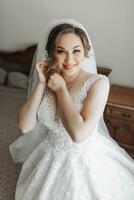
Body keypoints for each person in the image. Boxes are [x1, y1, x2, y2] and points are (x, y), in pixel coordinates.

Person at [9, 19, 134, 200]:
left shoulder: (98, 83)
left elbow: (79, 135)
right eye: (61, 51)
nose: (69, 60)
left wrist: (60, 90)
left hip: (85, 159)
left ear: (85, 53)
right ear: (51, 54)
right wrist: (42, 84)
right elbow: (24, 126)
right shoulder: (49, 79)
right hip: (49, 154)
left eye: (76, 51)